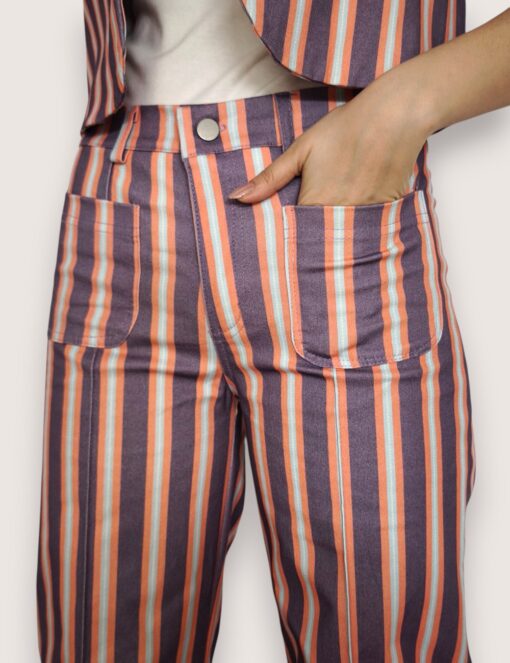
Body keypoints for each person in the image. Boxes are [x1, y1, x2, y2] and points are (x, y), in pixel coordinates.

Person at [36, 1, 510, 661]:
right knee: (102, 639)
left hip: (332, 197)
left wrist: (406, 106)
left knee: (377, 638)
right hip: (123, 193)